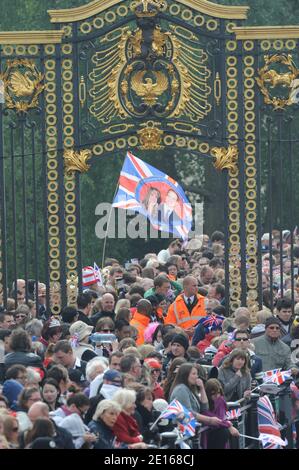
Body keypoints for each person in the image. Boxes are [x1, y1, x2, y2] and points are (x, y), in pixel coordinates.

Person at [169, 363, 223, 427]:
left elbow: (205, 408)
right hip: (183, 429)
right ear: (185, 375)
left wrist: (202, 388)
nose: (197, 376)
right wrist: (209, 420)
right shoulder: (181, 389)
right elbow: (188, 412)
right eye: (194, 374)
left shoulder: (190, 389)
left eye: (197, 374)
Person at [203, 379, 239, 449]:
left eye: (218, 393)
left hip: (219, 433)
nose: (217, 396)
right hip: (208, 434)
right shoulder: (204, 401)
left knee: (224, 433)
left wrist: (228, 425)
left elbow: (219, 418)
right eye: (213, 394)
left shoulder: (221, 401)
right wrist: (228, 425)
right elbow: (206, 414)